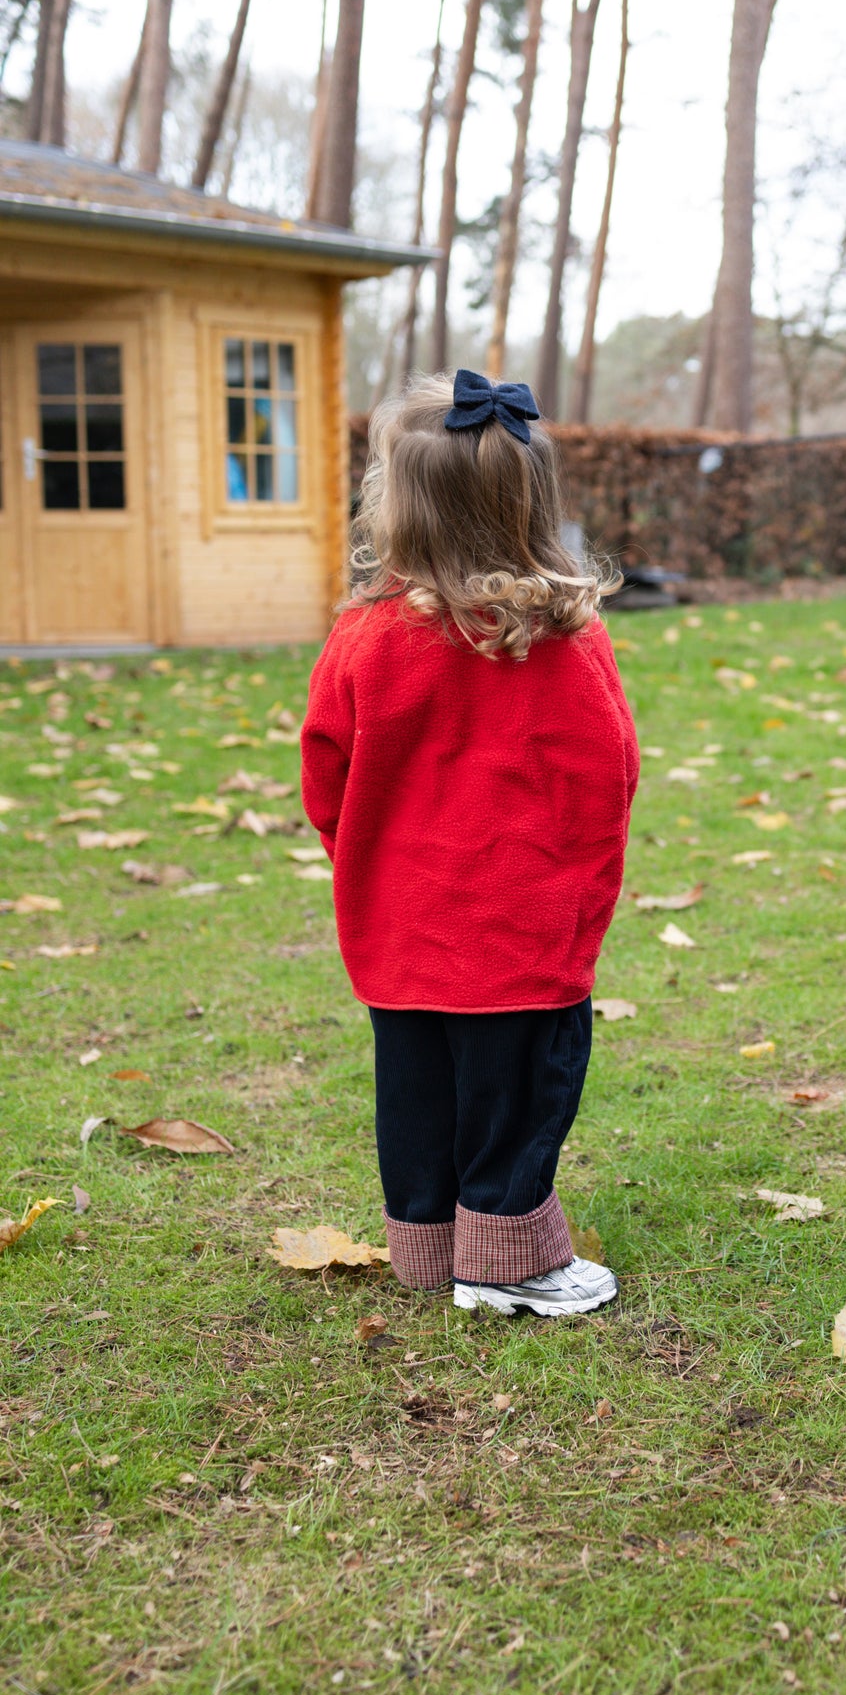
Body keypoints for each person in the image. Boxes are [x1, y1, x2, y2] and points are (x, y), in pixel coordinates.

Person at [301, 370, 638, 1318]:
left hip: (400, 926)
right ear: (532, 502)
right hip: (526, 927)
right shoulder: (565, 639)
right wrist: (579, 883)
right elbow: (608, 773)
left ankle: (428, 1247)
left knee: (414, 1091)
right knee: (519, 1093)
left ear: (395, 506)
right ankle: (507, 1258)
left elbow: (325, 772)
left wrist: (365, 856)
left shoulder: (362, 637)